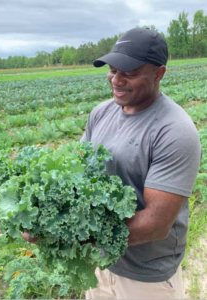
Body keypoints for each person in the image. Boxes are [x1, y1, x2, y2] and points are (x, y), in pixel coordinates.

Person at [81, 27, 201, 300]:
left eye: (130, 72)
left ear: (159, 74)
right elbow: (77, 173)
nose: (116, 79)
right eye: (112, 69)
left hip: (146, 278)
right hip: (100, 264)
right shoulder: (100, 113)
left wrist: (81, 237)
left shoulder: (174, 130)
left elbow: (155, 223)